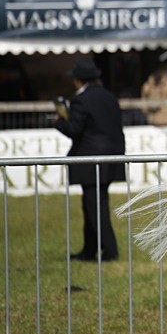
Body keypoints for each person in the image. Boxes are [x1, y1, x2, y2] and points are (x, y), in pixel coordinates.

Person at [54, 57, 126, 261]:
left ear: (78, 80)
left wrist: (59, 122)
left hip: (91, 159)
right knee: (94, 204)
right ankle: (90, 249)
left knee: (94, 206)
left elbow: (74, 129)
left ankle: (110, 250)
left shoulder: (81, 100)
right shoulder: (109, 96)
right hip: (111, 157)